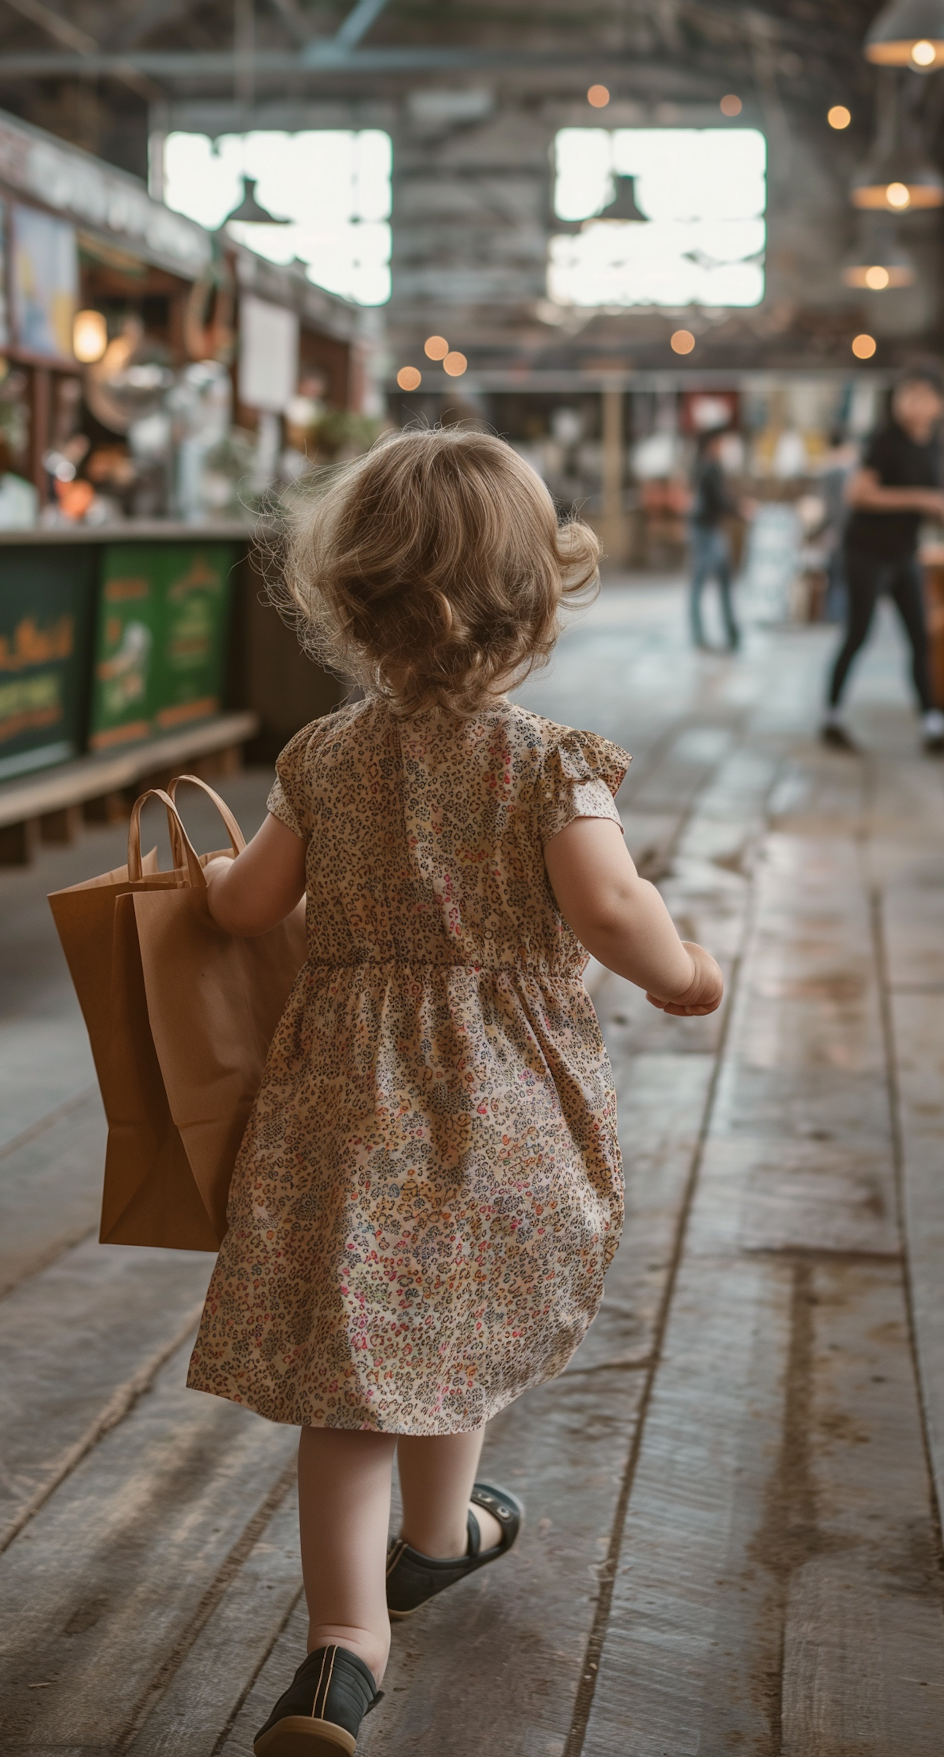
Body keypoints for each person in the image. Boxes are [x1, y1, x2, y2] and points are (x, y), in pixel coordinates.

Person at [191, 429, 724, 1757]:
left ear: (352, 598)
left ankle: (345, 1638)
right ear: (534, 598)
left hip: (342, 1108)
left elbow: (252, 904)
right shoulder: (549, 764)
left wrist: (205, 885)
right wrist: (686, 975)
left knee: (355, 1370)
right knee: (463, 1305)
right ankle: (441, 1532)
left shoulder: (322, 755)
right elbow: (610, 907)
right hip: (497, 1103)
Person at [822, 365, 944, 754]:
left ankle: (934, 724)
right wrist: (920, 498)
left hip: (904, 552)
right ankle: (831, 716)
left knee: (920, 637)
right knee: (857, 634)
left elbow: (931, 494)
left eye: (919, 395)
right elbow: (858, 495)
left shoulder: (933, 444)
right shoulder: (884, 440)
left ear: (939, 404)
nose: (909, 402)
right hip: (866, 551)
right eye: (905, 394)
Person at [688, 428, 744, 649]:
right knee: (702, 583)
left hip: (710, 530)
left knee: (720, 581)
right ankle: (705, 635)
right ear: (712, 444)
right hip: (706, 532)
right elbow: (719, 499)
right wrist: (741, 509)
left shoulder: (705, 467)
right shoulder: (707, 468)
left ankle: (729, 632)